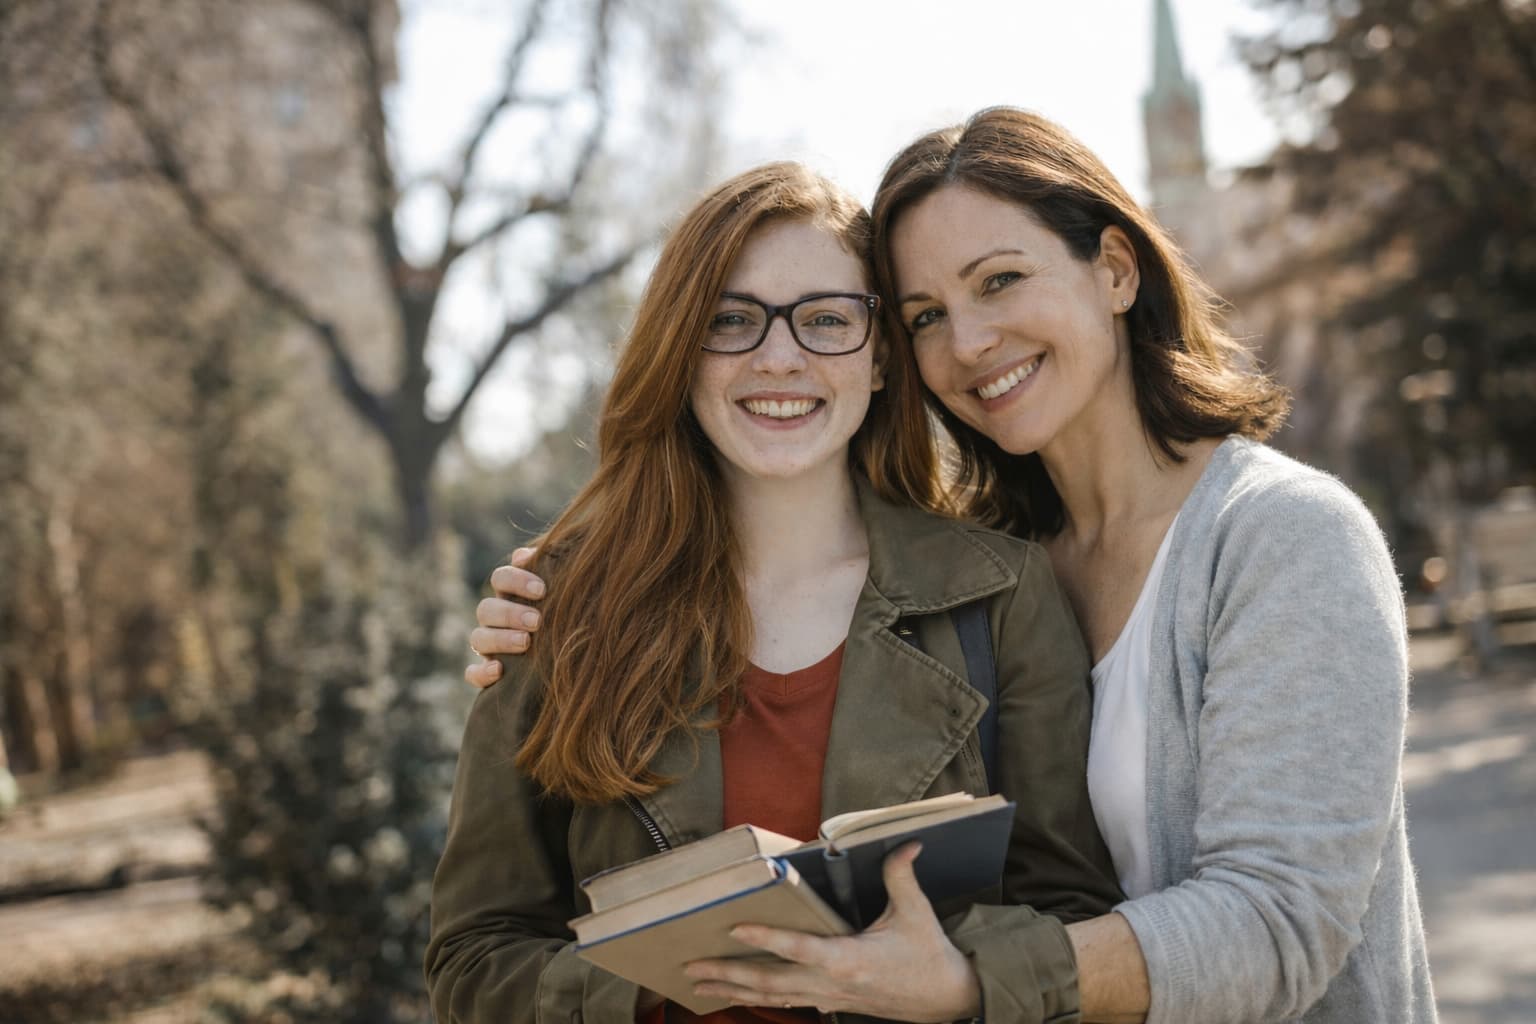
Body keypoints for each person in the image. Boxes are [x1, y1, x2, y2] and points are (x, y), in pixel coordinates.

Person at [464, 109, 1437, 1024]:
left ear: (1115, 270)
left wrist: (970, 978)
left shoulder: (1282, 538)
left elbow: (1280, 921)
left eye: (1001, 280)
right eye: (926, 314)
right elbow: (479, 940)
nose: (969, 341)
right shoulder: (1008, 562)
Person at [426, 160, 1123, 1024]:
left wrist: (946, 976)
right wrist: (654, 979)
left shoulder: (1001, 596)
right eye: (732, 320)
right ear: (682, 356)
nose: (780, 356)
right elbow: (470, 955)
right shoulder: (561, 608)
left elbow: (1075, 925)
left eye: (827, 319)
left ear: (877, 361)